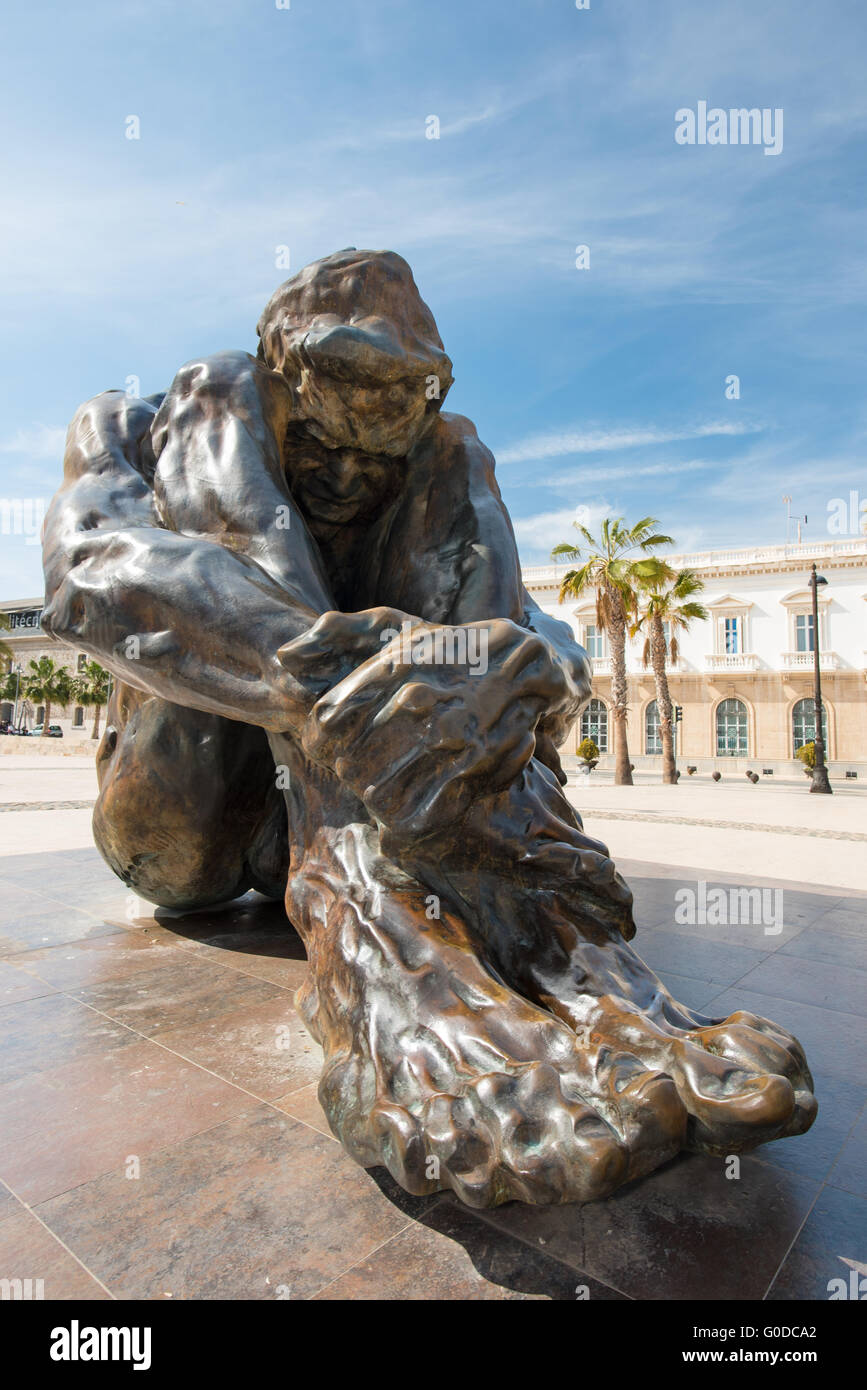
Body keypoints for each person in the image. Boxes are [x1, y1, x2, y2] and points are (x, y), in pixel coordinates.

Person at [41, 249, 815, 1207]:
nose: (345, 474)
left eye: (375, 459)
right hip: (185, 828)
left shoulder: (438, 457)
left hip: (343, 812)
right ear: (279, 379)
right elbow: (91, 573)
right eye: (319, 446)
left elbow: (536, 631)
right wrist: (374, 668)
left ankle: (587, 978)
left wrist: (518, 673)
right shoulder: (133, 423)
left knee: (461, 525)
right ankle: (403, 979)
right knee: (324, 621)